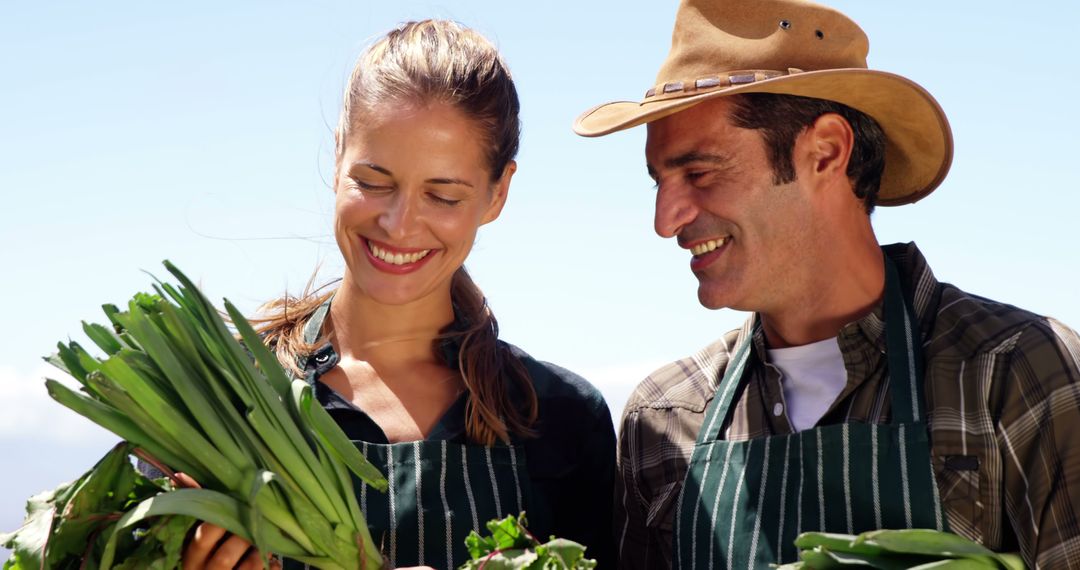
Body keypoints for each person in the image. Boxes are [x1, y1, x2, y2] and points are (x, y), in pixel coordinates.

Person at [572, 0, 1080, 568]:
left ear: (826, 152)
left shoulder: (1014, 370)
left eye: (700, 173)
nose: (665, 221)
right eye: (659, 183)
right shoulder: (663, 417)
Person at [180, 19, 615, 570]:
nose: (399, 223)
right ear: (337, 156)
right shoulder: (217, 396)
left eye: (443, 195)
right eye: (374, 181)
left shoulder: (562, 416)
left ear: (498, 192)